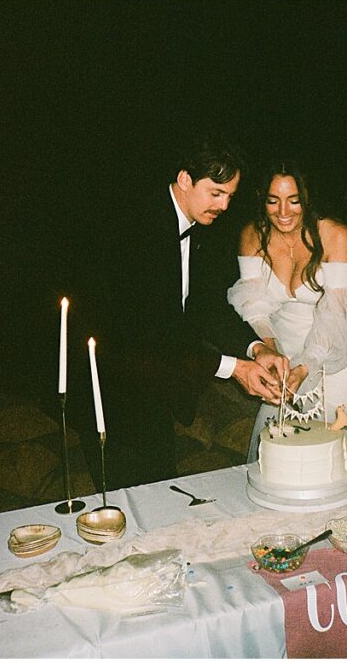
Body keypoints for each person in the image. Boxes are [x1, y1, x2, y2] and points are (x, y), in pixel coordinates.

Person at [100, 135, 289, 489]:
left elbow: (207, 307)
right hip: (116, 389)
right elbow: (150, 334)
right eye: (216, 193)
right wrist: (235, 369)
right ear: (185, 179)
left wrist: (256, 348)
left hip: (158, 384)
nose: (224, 205)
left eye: (230, 196)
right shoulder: (139, 228)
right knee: (133, 502)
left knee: (160, 492)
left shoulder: (200, 227)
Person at [228, 161, 347, 461]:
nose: (283, 212)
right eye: (273, 201)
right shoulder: (252, 236)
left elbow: (335, 315)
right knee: (278, 423)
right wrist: (270, 351)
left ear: (306, 198)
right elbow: (253, 306)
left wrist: (304, 367)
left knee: (335, 424)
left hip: (339, 341)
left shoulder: (335, 236)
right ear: (261, 198)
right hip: (282, 338)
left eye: (293, 201)